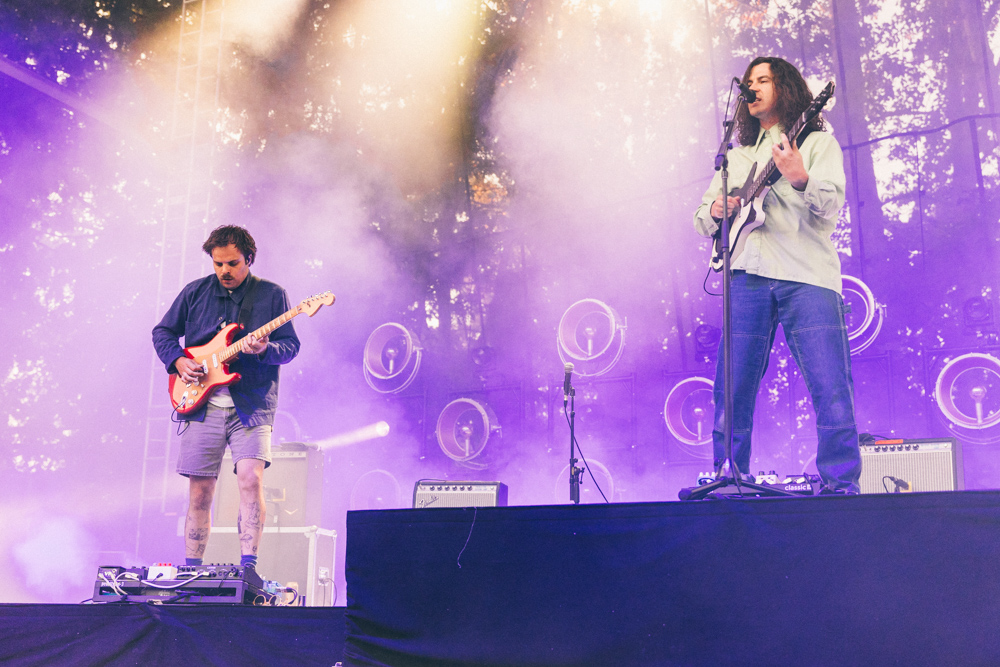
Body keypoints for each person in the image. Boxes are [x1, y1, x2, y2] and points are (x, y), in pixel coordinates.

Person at [693, 56, 862, 494]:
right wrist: (716, 209)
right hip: (746, 274)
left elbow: (831, 206)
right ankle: (730, 478)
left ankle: (842, 487)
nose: (753, 88)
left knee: (829, 383)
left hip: (806, 275)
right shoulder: (737, 155)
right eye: (749, 82)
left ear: (784, 87)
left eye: (763, 80)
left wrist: (800, 177)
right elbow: (701, 217)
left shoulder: (817, 142)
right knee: (731, 386)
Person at [152, 225, 301, 569]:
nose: (224, 271)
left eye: (232, 263)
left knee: (251, 479)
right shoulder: (195, 292)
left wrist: (266, 348)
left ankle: (248, 567)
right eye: (218, 264)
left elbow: (290, 347)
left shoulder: (272, 295)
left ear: (248, 259)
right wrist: (178, 360)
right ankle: (191, 571)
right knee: (200, 492)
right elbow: (163, 331)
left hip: (251, 405)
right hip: (199, 405)